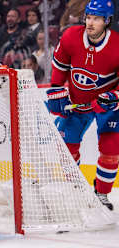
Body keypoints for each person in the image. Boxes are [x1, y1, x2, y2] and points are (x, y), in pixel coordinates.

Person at [45, 0, 119, 211]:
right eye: (88, 17)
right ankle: (76, 188)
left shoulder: (117, 45)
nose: (90, 22)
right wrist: (56, 89)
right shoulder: (70, 36)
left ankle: (102, 194)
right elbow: (59, 66)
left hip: (107, 105)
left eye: (96, 18)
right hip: (76, 101)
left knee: (111, 148)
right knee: (67, 149)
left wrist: (114, 95)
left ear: (107, 21)